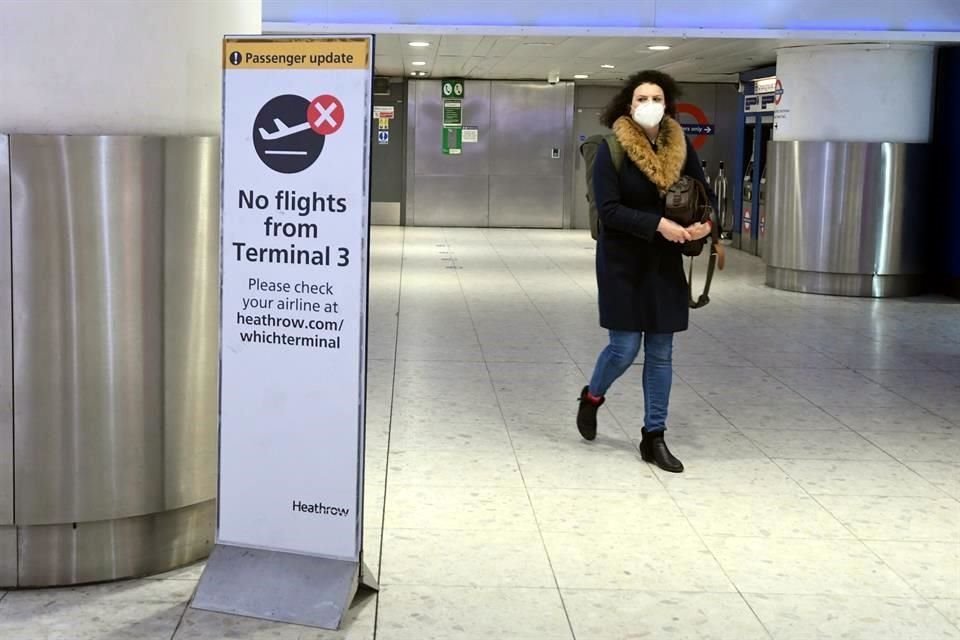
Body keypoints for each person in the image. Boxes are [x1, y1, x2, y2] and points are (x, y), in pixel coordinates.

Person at [575, 70, 715, 473]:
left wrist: (705, 225)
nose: (649, 104)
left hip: (665, 262)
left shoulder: (680, 147)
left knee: (661, 352)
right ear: (628, 104)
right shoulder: (611, 148)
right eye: (641, 98)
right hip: (622, 260)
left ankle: (653, 436)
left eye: (656, 97)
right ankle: (592, 397)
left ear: (667, 104)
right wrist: (658, 225)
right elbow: (609, 209)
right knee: (623, 348)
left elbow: (702, 195)